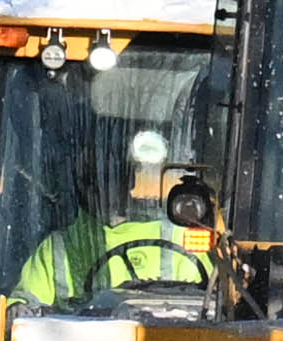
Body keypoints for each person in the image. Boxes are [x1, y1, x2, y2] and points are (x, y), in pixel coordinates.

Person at [16, 127, 209, 306]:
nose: (103, 187)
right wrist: (17, 307)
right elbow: (23, 303)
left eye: (112, 177)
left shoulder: (182, 240)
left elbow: (210, 304)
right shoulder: (58, 249)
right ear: (80, 183)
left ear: (130, 181)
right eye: (93, 177)